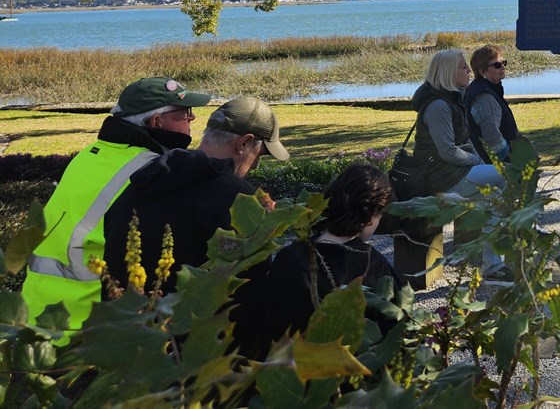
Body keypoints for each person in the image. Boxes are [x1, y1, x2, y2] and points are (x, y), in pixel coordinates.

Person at [23, 77, 211, 334]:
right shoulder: (149, 171)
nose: (192, 118)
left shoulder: (90, 154)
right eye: (184, 113)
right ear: (157, 122)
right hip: (87, 323)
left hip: (37, 314)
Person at [102, 95, 290, 295]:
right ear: (244, 143)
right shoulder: (237, 199)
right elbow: (250, 289)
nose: (255, 166)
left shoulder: (148, 179)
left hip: (127, 319)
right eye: (259, 156)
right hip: (189, 323)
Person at [237, 163, 400, 359]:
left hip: (290, 368)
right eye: (379, 216)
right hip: (355, 373)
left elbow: (270, 322)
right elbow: (396, 327)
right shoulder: (373, 263)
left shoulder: (289, 258)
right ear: (370, 215)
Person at [390, 48, 507, 289]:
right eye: (463, 67)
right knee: (510, 177)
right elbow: (448, 151)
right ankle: (525, 232)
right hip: (440, 177)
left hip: (451, 173)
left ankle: (494, 267)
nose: (468, 71)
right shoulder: (438, 106)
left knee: (495, 200)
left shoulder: (453, 98)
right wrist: (478, 162)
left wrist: (478, 159)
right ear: (449, 73)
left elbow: (464, 142)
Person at [464, 44, 522, 162]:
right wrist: (508, 161)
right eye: (497, 65)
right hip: (494, 165)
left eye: (503, 63)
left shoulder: (487, 89)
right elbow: (491, 134)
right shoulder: (484, 96)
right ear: (482, 71)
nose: (502, 67)